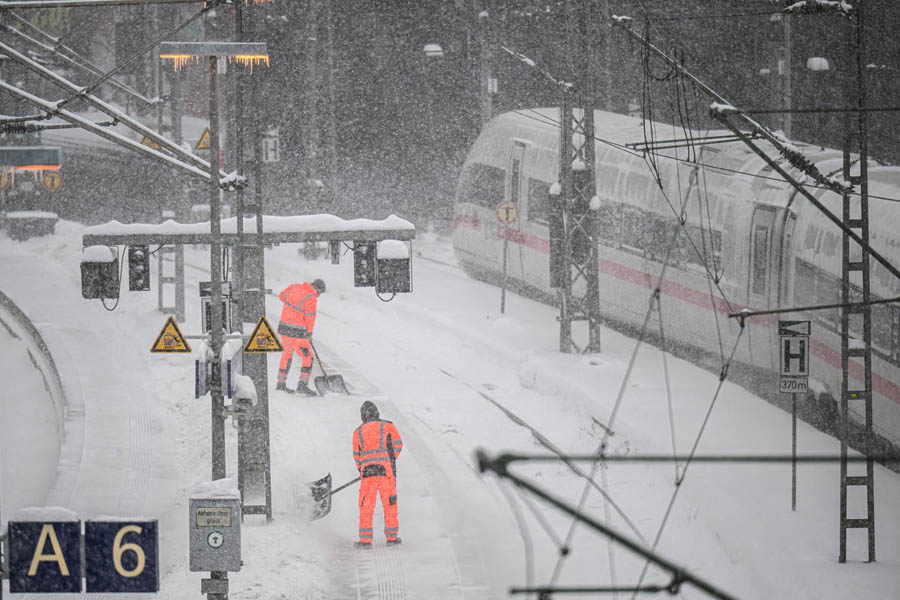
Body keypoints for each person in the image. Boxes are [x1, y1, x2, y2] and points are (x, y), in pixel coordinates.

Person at [353, 401, 403, 548]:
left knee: (366, 506)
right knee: (390, 504)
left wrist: (361, 469)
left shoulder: (358, 432)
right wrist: (388, 459)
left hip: (368, 475)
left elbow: (356, 454)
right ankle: (392, 538)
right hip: (386, 473)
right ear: (377, 413)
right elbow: (398, 445)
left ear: (363, 416)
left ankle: (365, 540)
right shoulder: (388, 426)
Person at [275, 278, 325, 395]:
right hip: (297, 331)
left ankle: (281, 383)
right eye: (320, 293)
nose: (318, 296)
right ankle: (302, 385)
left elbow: (282, 296)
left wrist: (292, 308)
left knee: (287, 354)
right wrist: (309, 333)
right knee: (308, 356)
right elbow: (310, 317)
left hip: (284, 328)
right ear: (317, 289)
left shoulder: (294, 286)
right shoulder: (311, 298)